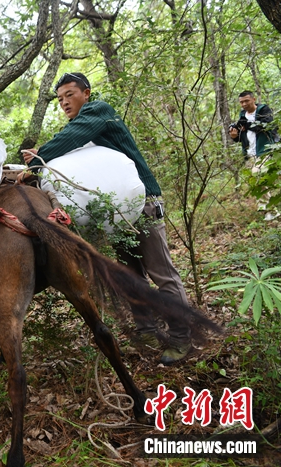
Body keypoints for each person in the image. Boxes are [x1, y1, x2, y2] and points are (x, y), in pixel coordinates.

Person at [21, 72, 191, 365]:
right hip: (120, 208)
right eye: (60, 99)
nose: (64, 102)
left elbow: (69, 139)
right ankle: (147, 331)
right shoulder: (83, 128)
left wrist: (39, 158)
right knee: (131, 274)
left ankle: (182, 336)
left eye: (69, 95)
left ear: (86, 93)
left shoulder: (98, 111)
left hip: (145, 203)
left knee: (161, 273)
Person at [229, 91, 278, 160]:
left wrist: (247, 125)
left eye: (247, 101)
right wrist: (235, 136)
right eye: (241, 102)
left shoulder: (263, 110)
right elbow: (245, 135)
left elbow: (266, 125)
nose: (244, 104)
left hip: (265, 152)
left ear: (254, 99)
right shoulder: (242, 114)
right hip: (249, 155)